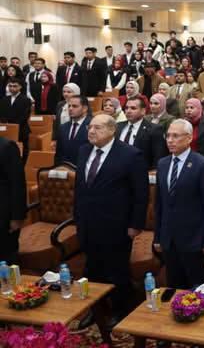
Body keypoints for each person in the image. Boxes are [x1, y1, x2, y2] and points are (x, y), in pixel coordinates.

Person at [74, 114, 148, 321]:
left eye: (97, 128)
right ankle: (96, 309)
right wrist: (77, 217)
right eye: (90, 127)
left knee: (117, 270)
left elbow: (141, 194)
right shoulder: (83, 150)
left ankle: (120, 309)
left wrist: (135, 224)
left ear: (112, 130)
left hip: (116, 224)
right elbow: (80, 188)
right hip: (88, 222)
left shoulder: (131, 155)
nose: (91, 131)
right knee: (92, 269)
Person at [153, 119, 204, 290]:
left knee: (200, 288)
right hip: (169, 239)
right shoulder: (162, 164)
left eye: (175, 136)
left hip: (193, 239)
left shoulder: (203, 165)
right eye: (168, 136)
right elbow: (159, 205)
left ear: (189, 138)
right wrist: (158, 236)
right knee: (175, 286)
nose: (170, 140)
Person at [116, 98, 167, 169]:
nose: (128, 111)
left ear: (143, 111)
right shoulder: (118, 126)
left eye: (133, 108)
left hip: (140, 171)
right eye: (126, 108)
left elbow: (158, 156)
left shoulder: (154, 129)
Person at [0, 137, 25, 263]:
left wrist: (17, 217)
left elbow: (18, 184)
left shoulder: (7, 146)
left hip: (4, 215)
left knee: (6, 257)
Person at [54, 95, 91, 166]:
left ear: (85, 108)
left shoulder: (93, 126)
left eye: (74, 106)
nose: (70, 109)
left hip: (83, 169)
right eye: (69, 106)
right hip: (64, 169)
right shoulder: (63, 127)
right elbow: (58, 154)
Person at [0, 77, 32, 160]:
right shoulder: (4, 99)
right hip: (7, 129)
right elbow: (2, 114)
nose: (12, 88)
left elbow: (24, 116)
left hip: (21, 129)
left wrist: (14, 126)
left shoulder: (26, 100)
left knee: (21, 152)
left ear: (20, 87)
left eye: (14, 86)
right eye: (10, 86)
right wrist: (6, 124)